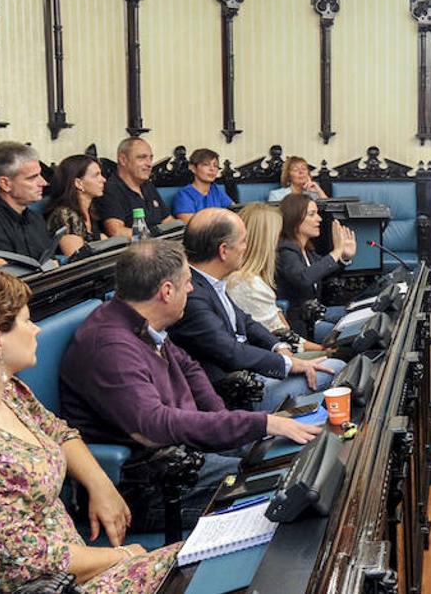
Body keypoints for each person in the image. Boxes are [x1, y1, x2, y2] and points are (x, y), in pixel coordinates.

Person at [0, 269, 177, 593]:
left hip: (74, 572)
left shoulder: (6, 391)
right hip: (39, 587)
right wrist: (124, 555)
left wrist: (100, 484)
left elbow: (58, 432)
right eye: (26, 321)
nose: (36, 330)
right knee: (193, 565)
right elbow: (26, 564)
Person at [59, 240, 320, 530]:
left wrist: (224, 421)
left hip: (189, 452)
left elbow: (189, 367)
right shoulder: (110, 348)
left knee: (293, 461)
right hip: (153, 487)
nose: (193, 289)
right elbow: (153, 426)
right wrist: (258, 423)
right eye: (187, 283)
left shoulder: (138, 320)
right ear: (167, 292)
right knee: (287, 490)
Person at [169, 208, 343, 412]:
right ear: (224, 251)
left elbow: (246, 321)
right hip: (241, 393)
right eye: (243, 241)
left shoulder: (210, 282)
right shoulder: (192, 295)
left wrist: (277, 347)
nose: (246, 247)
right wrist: (288, 364)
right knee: (337, 368)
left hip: (253, 370)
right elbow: (230, 351)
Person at [227, 203, 328, 355]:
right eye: (279, 235)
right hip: (270, 361)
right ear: (265, 240)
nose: (281, 241)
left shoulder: (248, 278)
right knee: (339, 364)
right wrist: (327, 351)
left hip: (278, 350)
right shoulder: (248, 284)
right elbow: (283, 342)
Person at [276, 193, 356, 336]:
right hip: (299, 326)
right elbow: (303, 278)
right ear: (295, 218)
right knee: (352, 333)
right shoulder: (285, 249)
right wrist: (337, 251)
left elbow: (324, 271)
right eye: (312, 214)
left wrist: (344, 257)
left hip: (315, 316)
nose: (319, 219)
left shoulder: (307, 250)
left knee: (357, 313)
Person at [95, 137, 174, 238]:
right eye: (142, 158)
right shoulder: (110, 189)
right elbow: (116, 232)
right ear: (123, 160)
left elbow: (167, 220)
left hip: (161, 245)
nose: (149, 164)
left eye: (150, 158)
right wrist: (152, 236)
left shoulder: (147, 185)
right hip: (134, 249)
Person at [44, 154, 108, 258]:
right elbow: (77, 258)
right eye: (96, 175)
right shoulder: (64, 215)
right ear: (78, 183)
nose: (103, 179)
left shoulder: (91, 210)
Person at [172, 148, 233, 222]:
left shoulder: (215, 189)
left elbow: (234, 210)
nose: (212, 169)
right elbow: (191, 225)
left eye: (215, 165)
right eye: (206, 164)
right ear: (193, 168)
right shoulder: (184, 195)